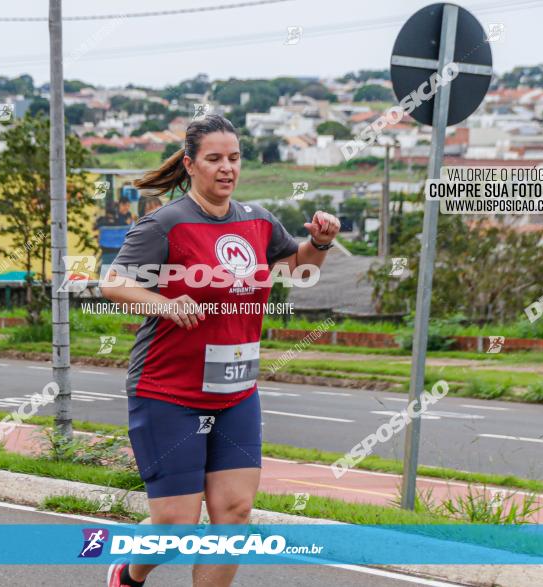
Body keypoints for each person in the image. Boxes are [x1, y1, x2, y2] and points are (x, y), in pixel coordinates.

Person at [100, 114, 338, 587]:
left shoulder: (259, 222)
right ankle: (128, 574)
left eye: (234, 158)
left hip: (235, 392)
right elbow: (113, 283)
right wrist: (165, 303)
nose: (226, 168)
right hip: (168, 391)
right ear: (190, 165)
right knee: (176, 527)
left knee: (234, 513)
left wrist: (319, 242)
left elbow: (296, 267)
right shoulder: (165, 224)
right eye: (214, 159)